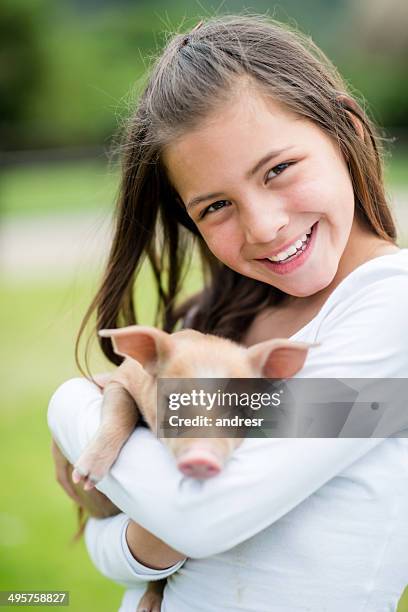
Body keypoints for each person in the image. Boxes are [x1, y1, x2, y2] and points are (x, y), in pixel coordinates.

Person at [47, 14, 408, 612]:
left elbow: (204, 516)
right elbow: (119, 552)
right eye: (217, 205)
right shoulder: (222, 324)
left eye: (278, 169)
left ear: (345, 132)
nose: (264, 226)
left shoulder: (393, 308)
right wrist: (146, 539)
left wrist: (70, 408)